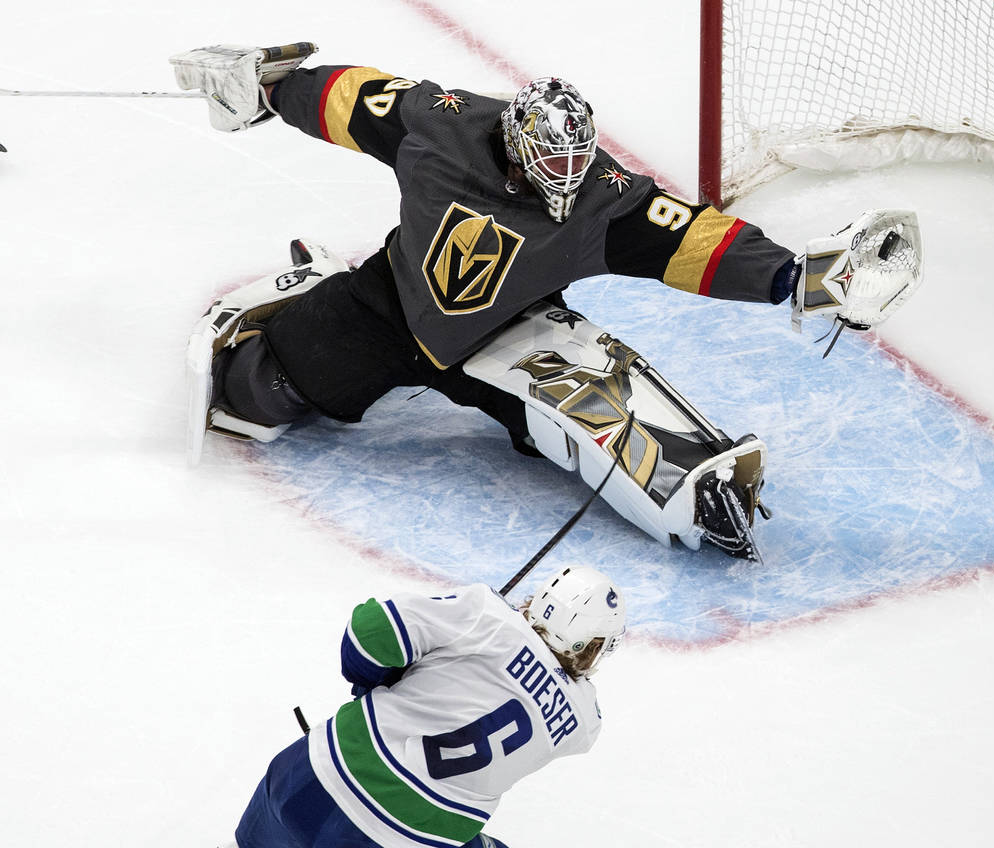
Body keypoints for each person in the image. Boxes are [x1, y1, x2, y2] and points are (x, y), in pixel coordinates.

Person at [172, 44, 922, 557]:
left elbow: (694, 240)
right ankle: (315, 289)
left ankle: (694, 485)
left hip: (511, 331)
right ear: (514, 141)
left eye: (576, 165)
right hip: (388, 303)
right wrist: (268, 87)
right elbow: (349, 98)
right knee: (251, 395)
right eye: (549, 167)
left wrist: (802, 279)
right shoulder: (440, 123)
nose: (564, 183)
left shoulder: (604, 197)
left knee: (570, 429)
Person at [226, 565, 626, 848]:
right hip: (407, 837)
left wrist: (373, 681)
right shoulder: (584, 722)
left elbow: (370, 630)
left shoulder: (488, 616)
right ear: (590, 646)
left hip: (308, 778)